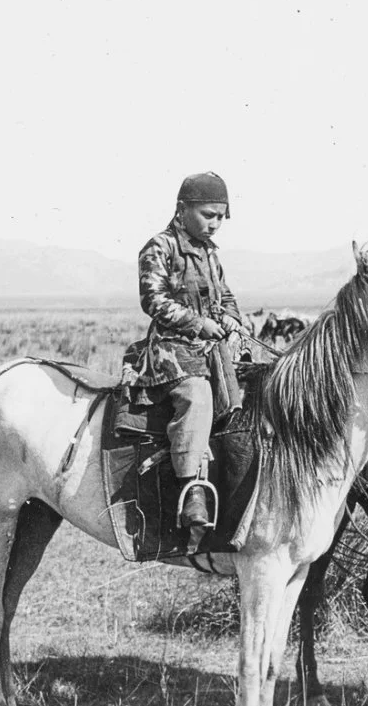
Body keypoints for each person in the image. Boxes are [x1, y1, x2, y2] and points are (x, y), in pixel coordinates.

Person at [122, 171, 245, 530]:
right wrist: (199, 323)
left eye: (221, 216)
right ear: (182, 209)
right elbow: (154, 300)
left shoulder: (209, 253)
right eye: (209, 215)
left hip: (212, 350)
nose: (216, 224)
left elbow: (225, 295)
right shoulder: (159, 247)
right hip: (170, 351)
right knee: (197, 396)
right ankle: (191, 489)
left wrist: (233, 320)